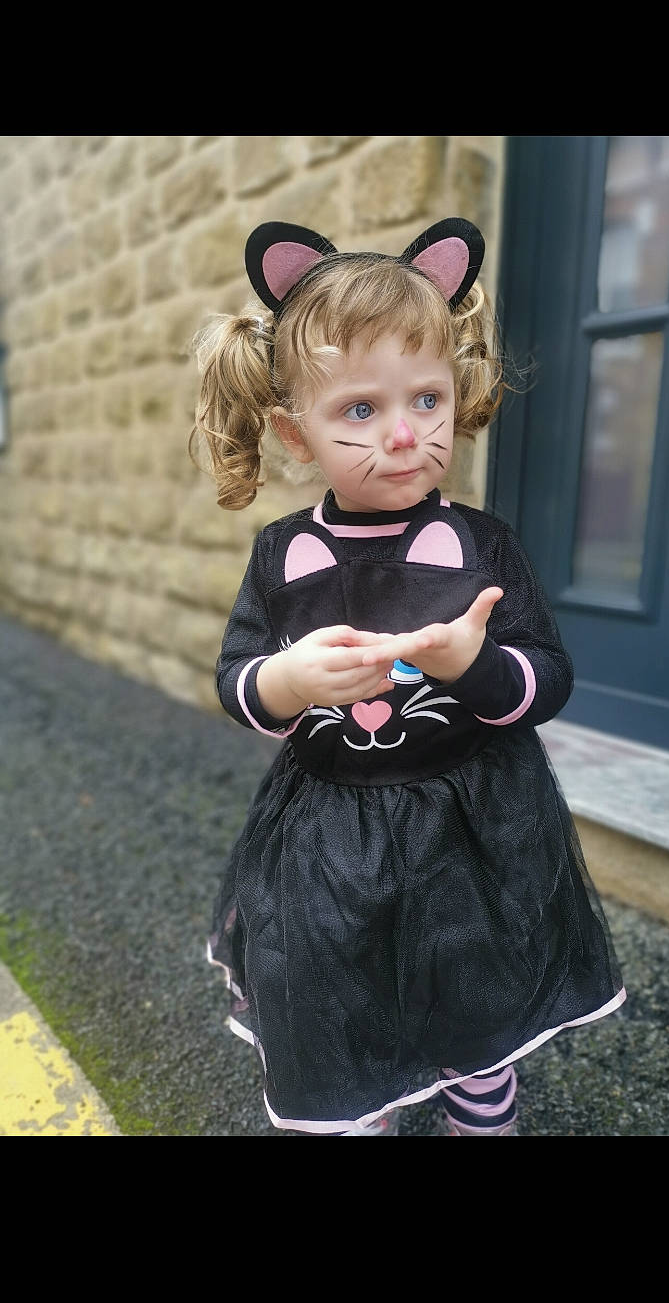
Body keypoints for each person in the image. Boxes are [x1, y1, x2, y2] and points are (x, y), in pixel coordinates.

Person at [192, 217, 626, 1136]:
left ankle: (481, 1107)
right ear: (293, 431)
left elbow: (545, 680)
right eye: (360, 409)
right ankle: (367, 1106)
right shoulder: (283, 553)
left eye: (426, 400)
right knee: (339, 988)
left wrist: (477, 667)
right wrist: (288, 679)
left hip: (474, 820)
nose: (403, 435)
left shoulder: (484, 544)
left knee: (477, 989)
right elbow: (236, 680)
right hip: (330, 829)